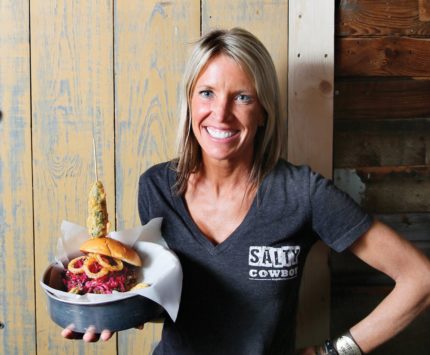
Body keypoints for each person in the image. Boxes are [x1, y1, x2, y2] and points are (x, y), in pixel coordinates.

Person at [62, 27, 430, 354]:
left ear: (264, 111)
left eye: (242, 97)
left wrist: (333, 352)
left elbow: (421, 279)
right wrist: (109, 309)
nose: (220, 114)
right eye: (207, 93)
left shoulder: (303, 194)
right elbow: (171, 302)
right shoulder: (157, 188)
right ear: (190, 102)